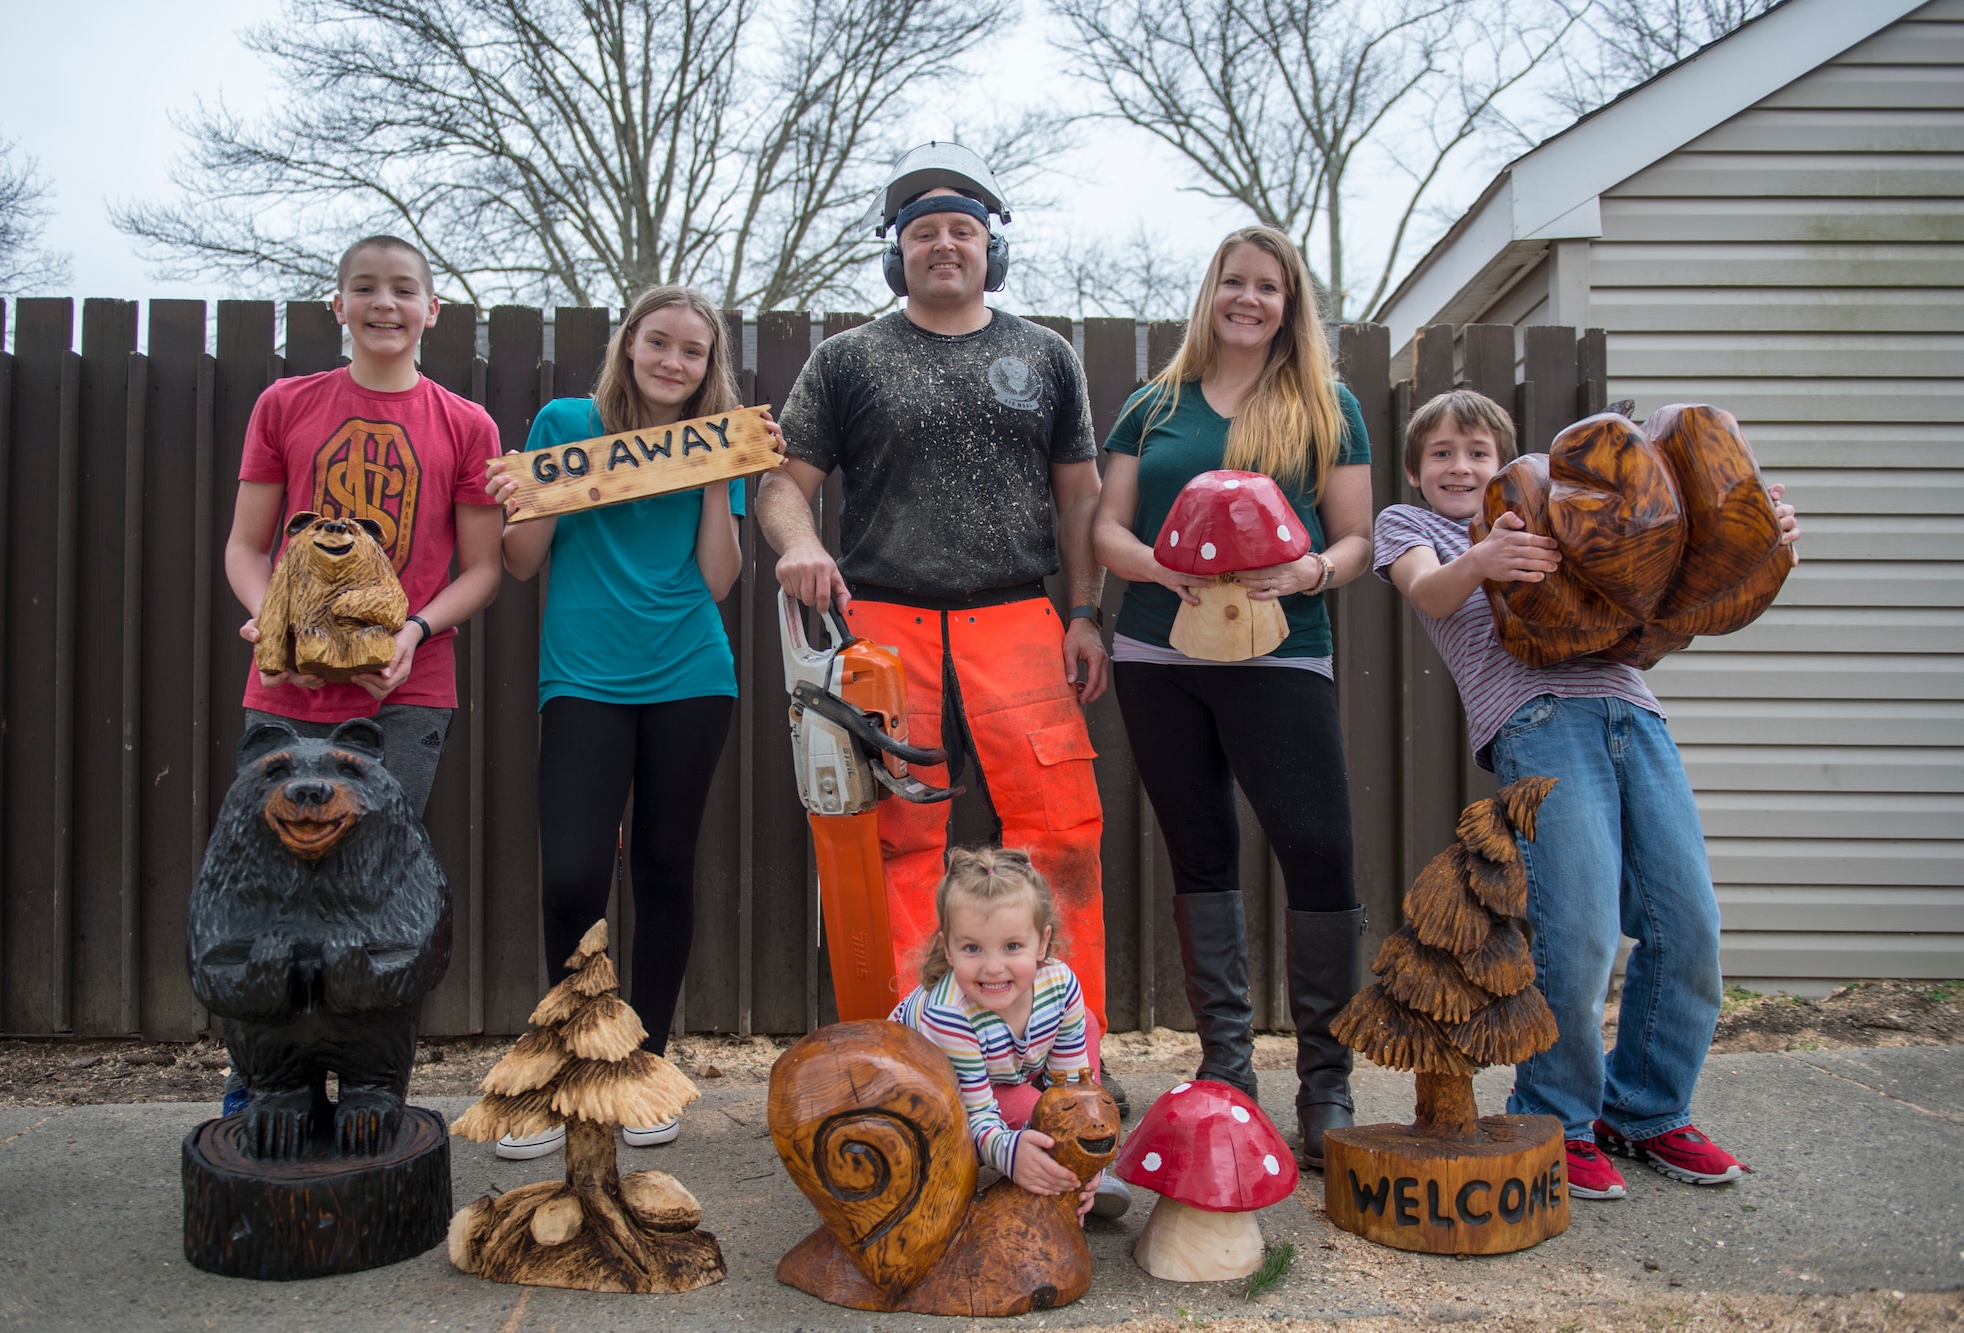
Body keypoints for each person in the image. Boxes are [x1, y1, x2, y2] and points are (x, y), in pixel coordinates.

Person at [1372, 388, 1799, 1199]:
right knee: (1581, 931)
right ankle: (1556, 1117)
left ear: (1507, 461)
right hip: (1537, 718)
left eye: (1478, 451)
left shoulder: (1558, 514)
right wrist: (1483, 559)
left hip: (1635, 712)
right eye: (1441, 453)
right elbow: (1429, 593)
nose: (1460, 466)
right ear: (1415, 470)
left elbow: (1649, 615)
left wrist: (1754, 547)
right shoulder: (1412, 526)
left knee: (1689, 922)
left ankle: (1647, 1109)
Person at [759, 144, 1117, 1095]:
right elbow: (780, 487)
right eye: (924, 233)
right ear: (896, 253)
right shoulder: (847, 360)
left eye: (963, 230)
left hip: (1018, 618)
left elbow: (1078, 500)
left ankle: (1069, 1069)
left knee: (1061, 835)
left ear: (989, 249)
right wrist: (801, 542)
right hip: (884, 624)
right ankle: (909, 1071)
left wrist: (1085, 611)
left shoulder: (1046, 356)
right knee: (896, 845)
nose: (944, 245)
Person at [1091, 224, 1372, 1169]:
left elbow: (1356, 540)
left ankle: (1326, 1083)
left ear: (1291, 305)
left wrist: (1309, 573)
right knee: (1200, 850)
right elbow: (1108, 531)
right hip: (1156, 655)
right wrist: (1160, 571)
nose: (1249, 299)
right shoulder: (1152, 404)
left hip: (1282, 653)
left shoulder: (1327, 405)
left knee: (1320, 852)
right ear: (1211, 291)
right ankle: (1228, 1073)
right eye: (1234, 282)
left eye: (1269, 287)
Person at [482, 286, 781, 1160]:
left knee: (661, 866)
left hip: (690, 673)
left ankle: (643, 1068)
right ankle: (573, 1063)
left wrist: (717, 483)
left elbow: (720, 581)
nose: (674, 363)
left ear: (708, 366)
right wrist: (535, 491)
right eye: (659, 343)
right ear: (629, 345)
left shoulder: (719, 438)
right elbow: (521, 561)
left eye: (693, 351)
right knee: (573, 874)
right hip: (583, 675)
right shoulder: (564, 419)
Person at [223, 234, 505, 1115]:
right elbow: (244, 546)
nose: (385, 304)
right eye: (365, 289)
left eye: (404, 290)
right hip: (285, 697)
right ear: (337, 307)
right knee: (268, 886)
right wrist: (273, 617)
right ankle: (263, 1086)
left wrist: (416, 630)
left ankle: (374, 1089)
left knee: (373, 891)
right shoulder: (285, 404)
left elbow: (483, 568)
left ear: (432, 311)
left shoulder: (466, 424)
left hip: (406, 698)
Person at [890, 847, 1131, 1220]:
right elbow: (975, 1115)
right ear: (948, 950)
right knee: (1025, 1107)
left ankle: (1082, 1171)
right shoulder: (948, 1015)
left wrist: (1086, 1150)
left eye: (1012, 946)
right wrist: (1011, 1154)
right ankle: (1052, 1171)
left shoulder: (1059, 984)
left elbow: (1069, 1089)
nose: (992, 967)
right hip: (933, 1094)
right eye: (972, 948)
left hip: (1002, 1067)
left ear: (1043, 943)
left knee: (1082, 1022)